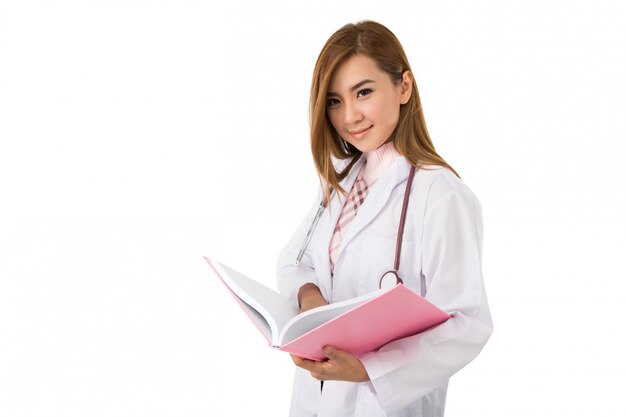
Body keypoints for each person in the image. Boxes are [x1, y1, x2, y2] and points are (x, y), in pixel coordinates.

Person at [276, 20, 493, 417]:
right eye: (335, 100)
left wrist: (368, 369)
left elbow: (468, 323)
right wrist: (312, 302)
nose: (350, 116)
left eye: (364, 92)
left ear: (404, 88)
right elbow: (295, 260)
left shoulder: (442, 195)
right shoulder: (341, 185)